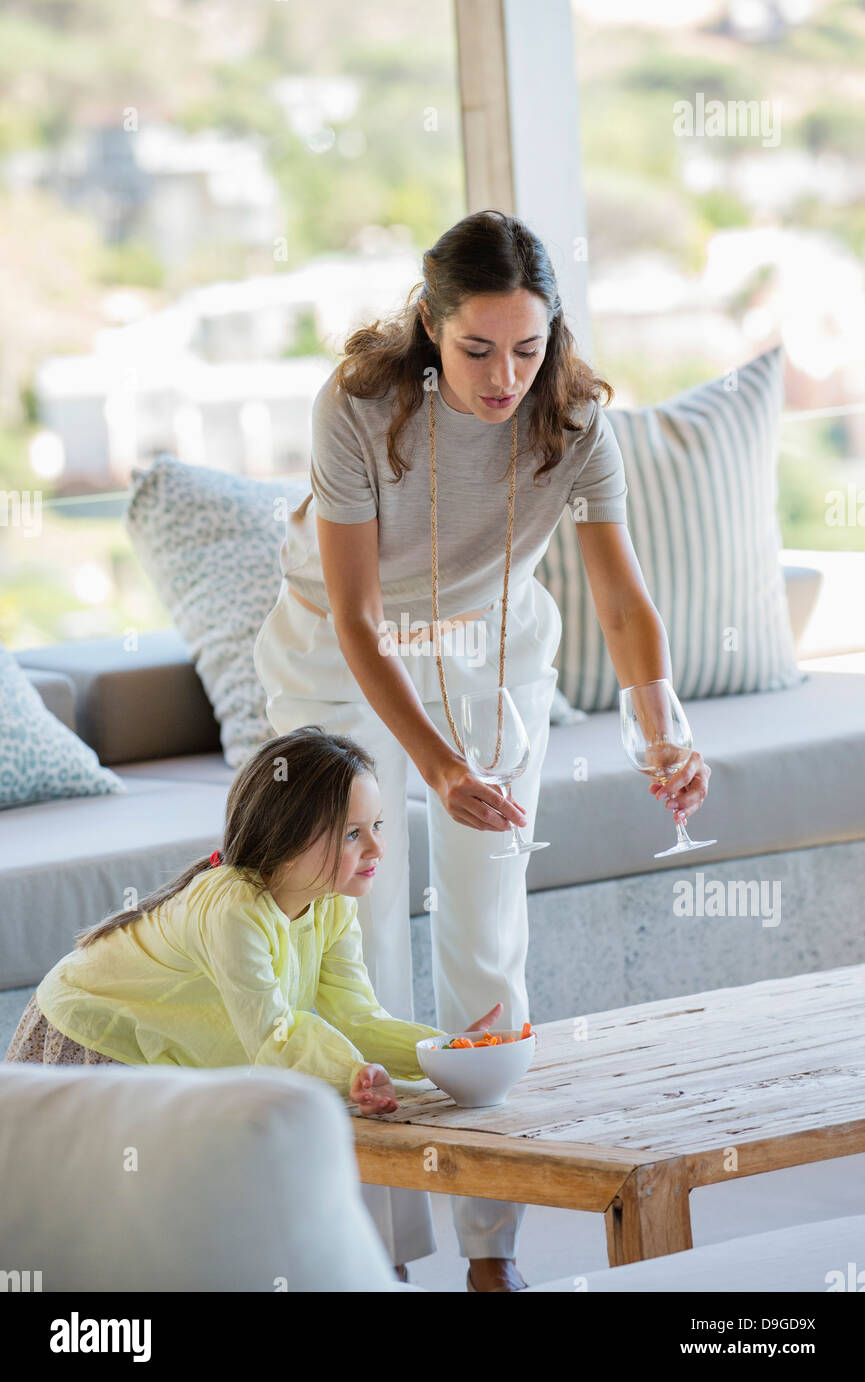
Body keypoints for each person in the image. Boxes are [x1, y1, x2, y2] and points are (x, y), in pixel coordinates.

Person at [252, 208, 712, 1291]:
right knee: (347, 938)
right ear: (428, 325)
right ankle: (369, 1256)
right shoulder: (358, 409)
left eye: (528, 345)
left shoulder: (577, 419)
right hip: (338, 651)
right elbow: (361, 624)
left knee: (487, 923)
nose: (504, 374)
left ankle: (488, 1256)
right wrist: (440, 769)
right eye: (476, 348)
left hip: (492, 643)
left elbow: (619, 595)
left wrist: (664, 727)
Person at [5, 726, 502, 1126]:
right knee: (114, 1215)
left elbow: (353, 1016)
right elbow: (274, 1036)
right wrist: (353, 1073)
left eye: (377, 826)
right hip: (92, 1033)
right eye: (353, 834)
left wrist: (442, 1051)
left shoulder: (330, 902)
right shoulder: (234, 909)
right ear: (287, 840)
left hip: (155, 1043)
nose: (376, 849)